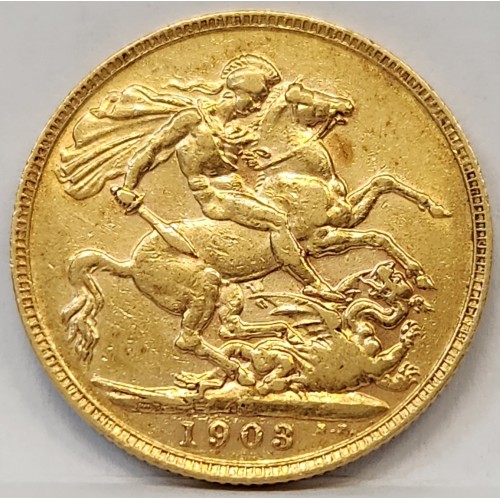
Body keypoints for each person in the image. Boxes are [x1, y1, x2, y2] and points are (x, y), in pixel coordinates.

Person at [114, 54, 339, 301]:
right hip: (215, 196)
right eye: (255, 98)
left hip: (239, 191)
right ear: (238, 91)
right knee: (277, 220)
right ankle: (312, 284)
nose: (257, 106)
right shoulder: (193, 120)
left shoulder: (235, 130)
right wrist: (128, 185)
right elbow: (153, 148)